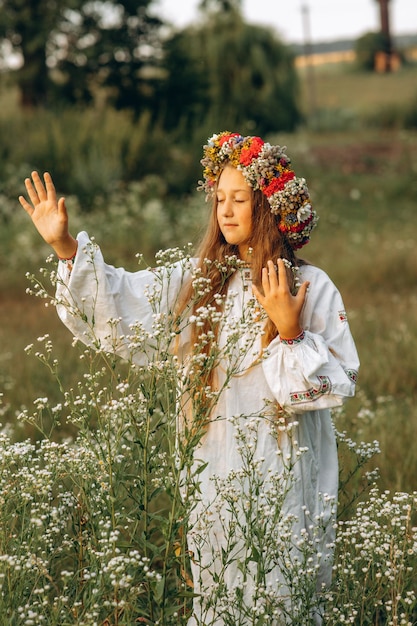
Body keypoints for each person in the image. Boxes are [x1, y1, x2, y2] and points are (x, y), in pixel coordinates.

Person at [19, 131, 359, 625]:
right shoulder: (200, 283)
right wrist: (66, 247)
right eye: (219, 198)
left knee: (282, 592)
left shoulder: (309, 286)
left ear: (268, 207)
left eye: (240, 198)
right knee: (222, 590)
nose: (225, 209)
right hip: (215, 470)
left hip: (283, 472)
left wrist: (287, 328)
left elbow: (329, 384)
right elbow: (127, 302)